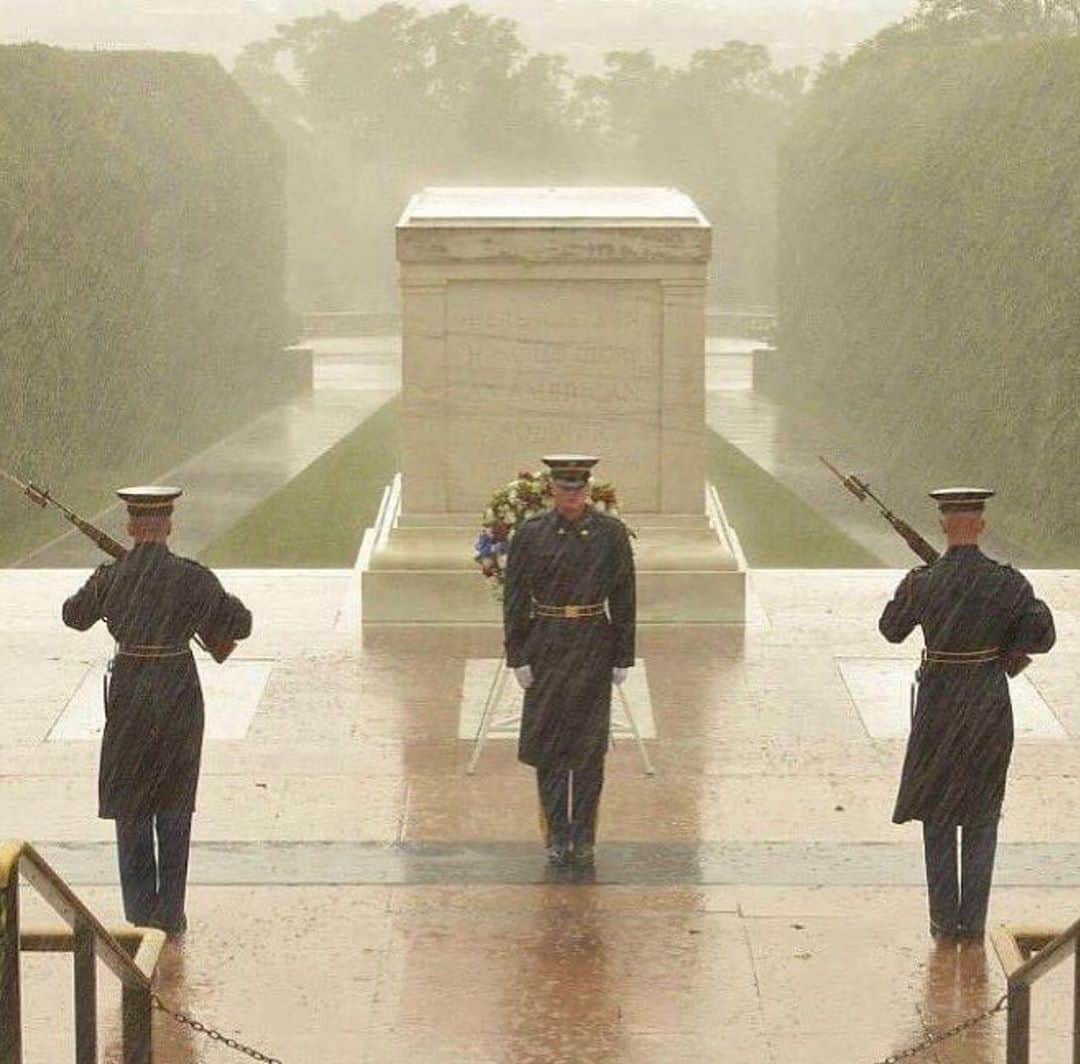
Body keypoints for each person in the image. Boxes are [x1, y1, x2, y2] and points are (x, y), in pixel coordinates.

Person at [62, 485, 252, 936]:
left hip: (130, 696)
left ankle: (139, 913)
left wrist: (104, 580)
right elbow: (241, 624)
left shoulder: (112, 576)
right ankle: (171, 912)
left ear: (130, 527)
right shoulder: (192, 578)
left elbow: (73, 615)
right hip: (177, 694)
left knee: (131, 805)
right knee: (173, 803)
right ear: (168, 526)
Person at [879, 487, 1055, 941]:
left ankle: (943, 921)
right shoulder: (1007, 583)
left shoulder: (923, 581)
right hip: (986, 704)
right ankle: (972, 925)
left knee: (937, 816)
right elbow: (1042, 634)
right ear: (980, 525)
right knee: (980, 815)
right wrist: (1002, 642)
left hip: (939, 706)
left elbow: (891, 630)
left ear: (942, 525)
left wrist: (920, 586)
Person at [503, 455, 636, 868]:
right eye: (564, 489)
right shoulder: (530, 534)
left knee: (589, 745)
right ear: (552, 491)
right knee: (551, 743)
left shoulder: (610, 534)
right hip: (547, 642)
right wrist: (518, 655)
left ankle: (584, 833)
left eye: (578, 490)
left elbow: (625, 595)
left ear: (588, 491)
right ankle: (558, 831)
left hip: (593, 641)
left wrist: (622, 654)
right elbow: (516, 598)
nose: (572, 497)